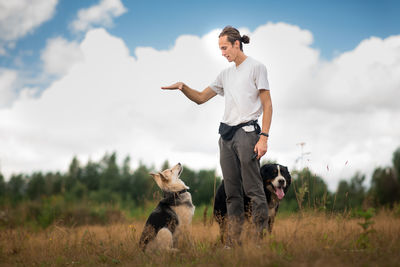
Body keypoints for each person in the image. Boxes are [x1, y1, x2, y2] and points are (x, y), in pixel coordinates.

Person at [161, 26, 272, 246]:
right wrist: (183, 87)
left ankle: (260, 242)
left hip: (248, 134)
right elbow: (201, 97)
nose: (222, 53)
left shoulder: (257, 67)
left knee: (253, 190)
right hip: (226, 136)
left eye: (224, 48)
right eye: (220, 49)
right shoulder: (225, 74)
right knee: (231, 193)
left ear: (236, 44)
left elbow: (267, 105)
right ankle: (233, 242)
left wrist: (264, 137)